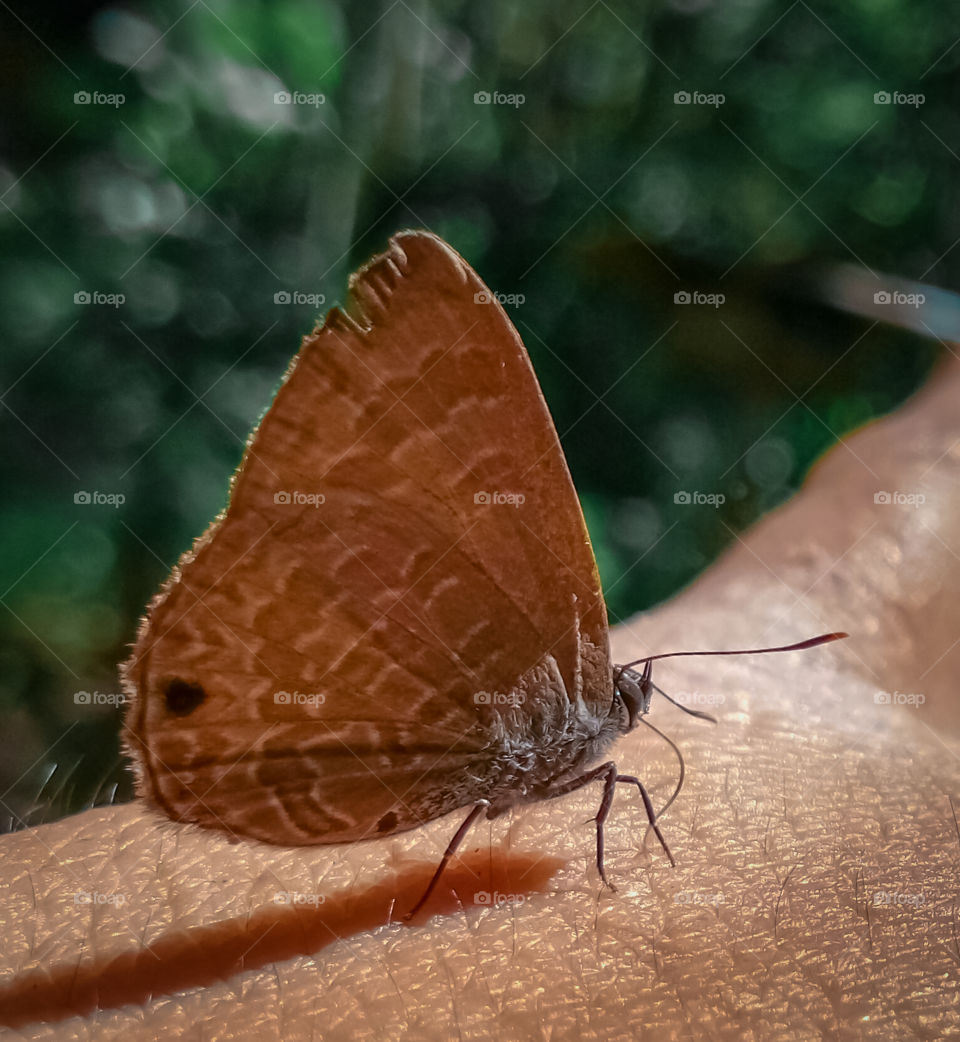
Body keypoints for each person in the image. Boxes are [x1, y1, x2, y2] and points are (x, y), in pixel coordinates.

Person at [3, 354, 958, 1038]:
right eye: (636, 692)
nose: (640, 700)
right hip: (302, 691)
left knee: (616, 780)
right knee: (618, 781)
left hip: (324, 722)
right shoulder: (566, 692)